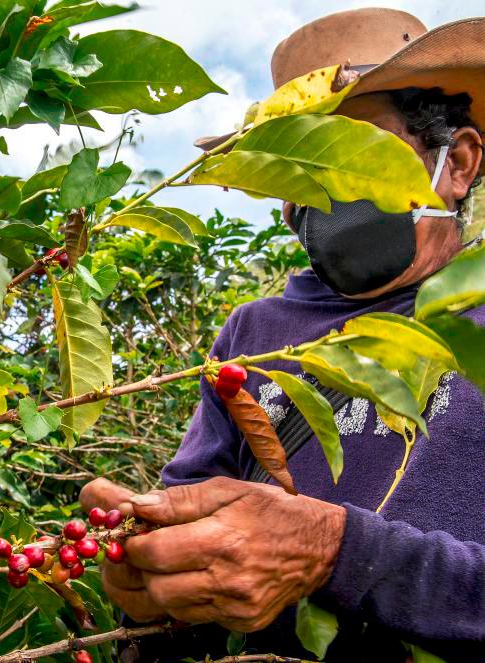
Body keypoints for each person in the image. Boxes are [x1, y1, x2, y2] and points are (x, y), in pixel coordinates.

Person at [81, 9, 484, 662]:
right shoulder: (253, 333)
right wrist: (151, 575)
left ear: (458, 163)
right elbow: (188, 530)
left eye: (348, 151)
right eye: (293, 165)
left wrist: (335, 550)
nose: (313, 195)